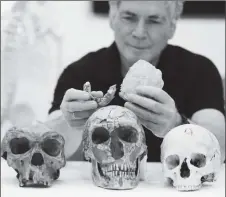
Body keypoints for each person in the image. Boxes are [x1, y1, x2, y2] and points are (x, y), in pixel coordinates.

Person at [47, 1, 225, 163]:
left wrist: (177, 125)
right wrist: (69, 120)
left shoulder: (200, 71)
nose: (139, 32)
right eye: (129, 18)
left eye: (154, 21)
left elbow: (220, 147)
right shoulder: (79, 73)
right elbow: (47, 146)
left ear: (172, 26)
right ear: (112, 18)